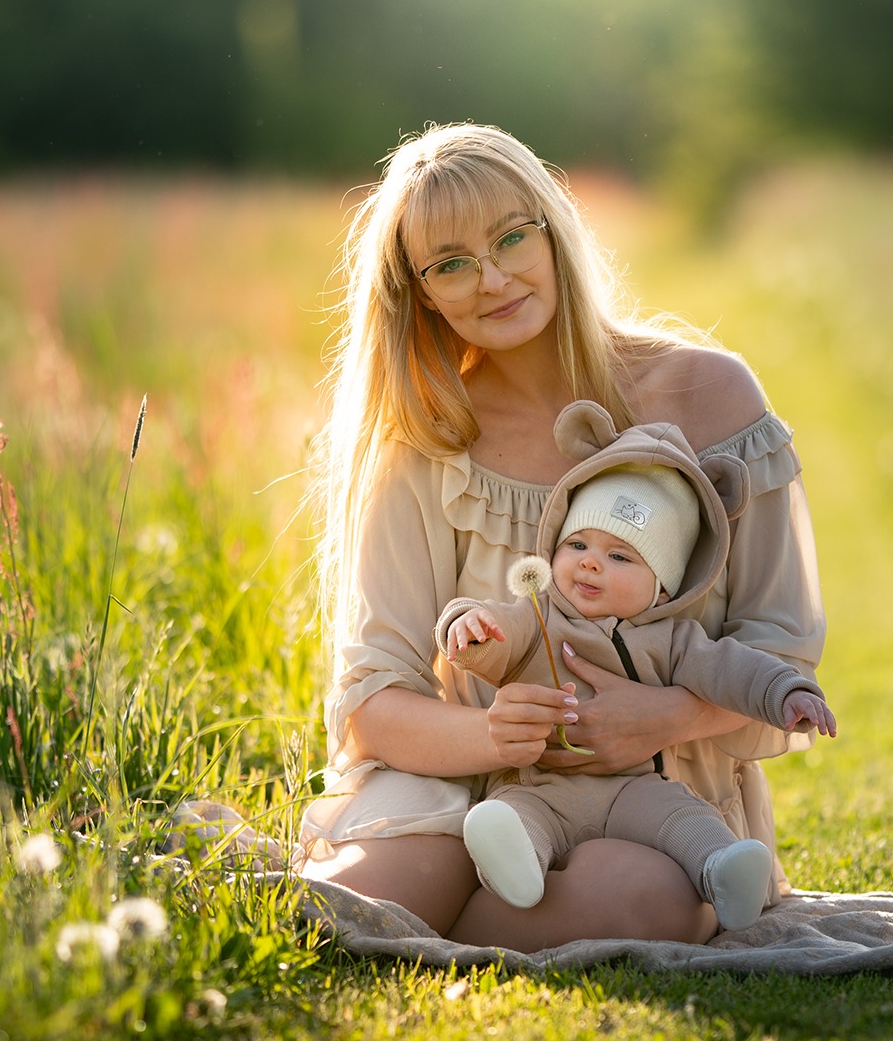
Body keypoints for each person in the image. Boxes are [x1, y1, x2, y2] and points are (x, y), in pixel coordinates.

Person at [299, 123, 824, 948]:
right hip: (456, 786)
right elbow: (374, 701)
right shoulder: (427, 435)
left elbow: (782, 657)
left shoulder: (709, 396)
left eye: (512, 237)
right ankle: (422, 892)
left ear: (554, 230)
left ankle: (438, 923)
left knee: (635, 904)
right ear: (420, 293)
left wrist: (663, 715)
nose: (492, 279)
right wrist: (490, 734)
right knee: (368, 902)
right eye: (450, 263)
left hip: (652, 800)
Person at [437, 409, 838, 930]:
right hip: (545, 785)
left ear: (664, 588)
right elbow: (497, 643)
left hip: (636, 789)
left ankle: (724, 871)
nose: (589, 563)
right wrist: (471, 629)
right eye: (577, 544)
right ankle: (517, 865)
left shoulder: (672, 640)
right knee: (517, 815)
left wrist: (787, 693)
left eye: (620, 556)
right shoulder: (539, 617)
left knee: (686, 817)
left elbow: (734, 670)